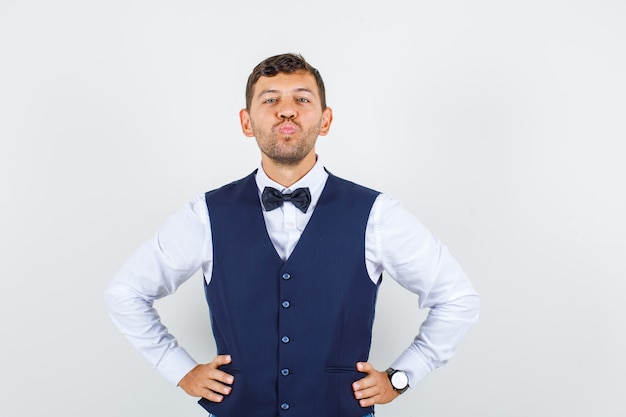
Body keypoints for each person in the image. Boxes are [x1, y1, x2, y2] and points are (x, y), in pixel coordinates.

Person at [104, 53, 480, 417]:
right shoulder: (205, 214)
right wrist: (179, 370)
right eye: (270, 100)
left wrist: (400, 377)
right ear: (247, 121)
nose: (287, 110)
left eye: (302, 98)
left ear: (325, 119)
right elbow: (125, 293)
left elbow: (457, 297)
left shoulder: (377, 214)